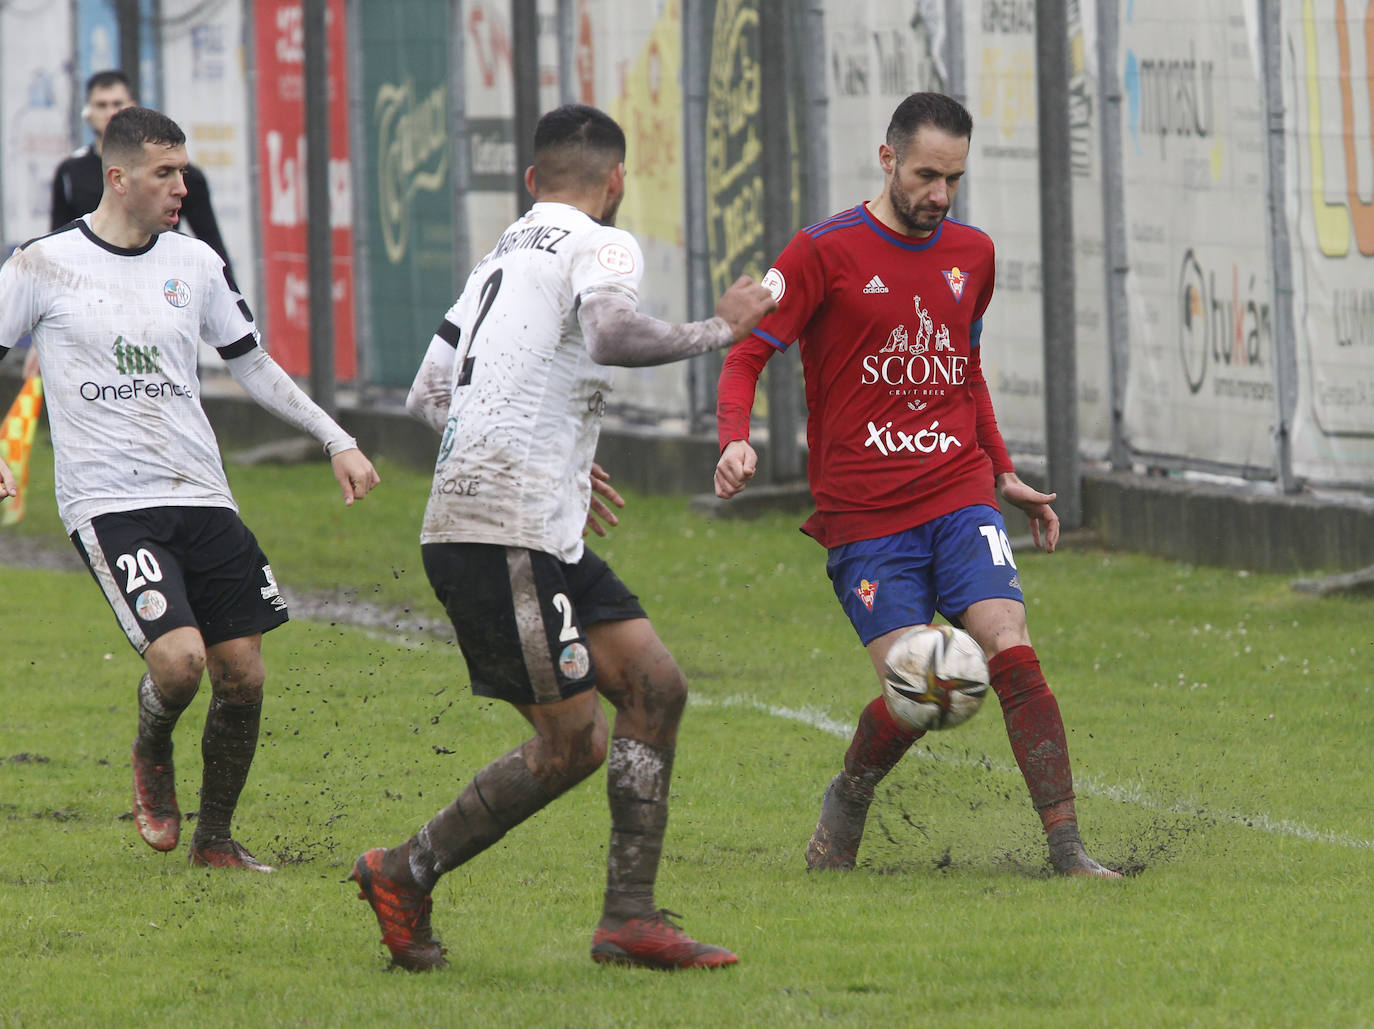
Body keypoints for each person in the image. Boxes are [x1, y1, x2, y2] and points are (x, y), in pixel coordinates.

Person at [349, 103, 776, 972]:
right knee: (572, 742)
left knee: (656, 685)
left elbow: (427, 396)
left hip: (527, 519)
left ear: (532, 180)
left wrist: (550, 457)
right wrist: (722, 328)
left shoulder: (498, 257)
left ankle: (629, 918)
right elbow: (614, 335)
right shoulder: (603, 243)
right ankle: (403, 870)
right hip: (502, 528)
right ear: (616, 182)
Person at [713, 92, 1120, 880]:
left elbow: (965, 371)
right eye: (927, 174)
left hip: (958, 491)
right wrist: (735, 438)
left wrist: (1001, 471)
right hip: (864, 516)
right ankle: (852, 791)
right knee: (931, 689)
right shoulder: (820, 252)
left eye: (955, 179)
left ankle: (1068, 849)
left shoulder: (974, 254)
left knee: (1009, 646)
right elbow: (743, 354)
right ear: (887, 159)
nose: (940, 195)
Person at [0, 106, 381, 872]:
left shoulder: (196, 264)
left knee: (242, 668)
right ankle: (151, 749)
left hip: (201, 492)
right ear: (119, 177)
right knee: (180, 663)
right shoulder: (39, 266)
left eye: (185, 172)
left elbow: (252, 362)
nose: (182, 186)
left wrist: (334, 436)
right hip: (109, 500)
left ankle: (215, 840)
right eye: (165, 173)